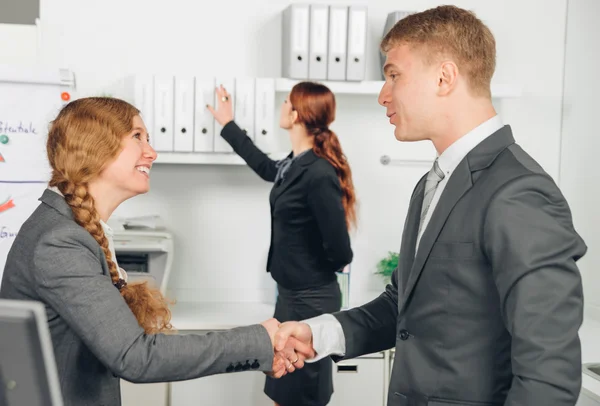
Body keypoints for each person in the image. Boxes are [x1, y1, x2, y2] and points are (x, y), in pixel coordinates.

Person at [273, 5, 588, 406]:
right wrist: (320, 333)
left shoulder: (519, 191)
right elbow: (401, 307)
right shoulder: (432, 184)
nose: (383, 95)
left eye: (393, 75)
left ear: (444, 77)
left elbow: (549, 377)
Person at [0, 97, 312, 406]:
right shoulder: (60, 241)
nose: (152, 152)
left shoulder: (70, 228)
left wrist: (260, 346)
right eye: (138, 137)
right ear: (94, 145)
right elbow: (135, 356)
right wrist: (260, 340)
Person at [207, 81, 356, 406]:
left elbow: (341, 251)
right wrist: (228, 124)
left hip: (310, 301)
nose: (281, 106)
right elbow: (265, 167)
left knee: (300, 395)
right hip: (290, 298)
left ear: (297, 112)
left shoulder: (318, 172)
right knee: (282, 390)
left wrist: (309, 272)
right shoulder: (295, 163)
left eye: (285, 101)